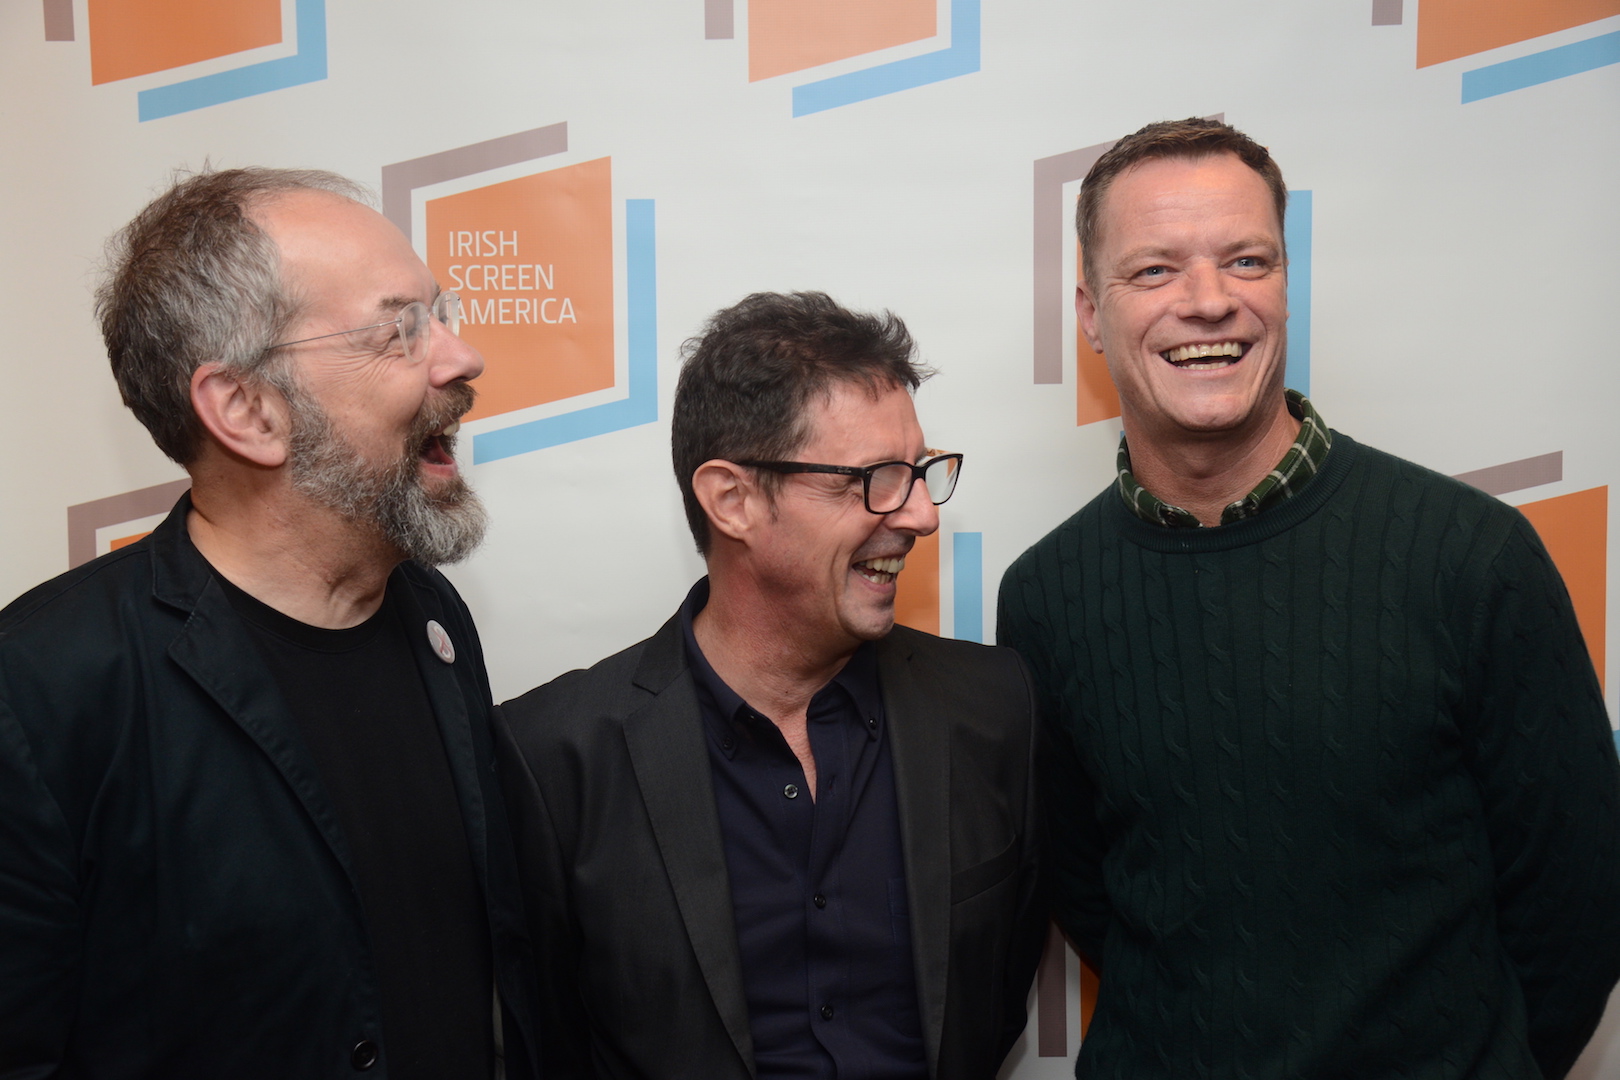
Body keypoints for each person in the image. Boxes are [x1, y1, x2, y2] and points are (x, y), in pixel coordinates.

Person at [998, 116, 1620, 1079]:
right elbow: (1088, 888)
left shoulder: (1471, 555)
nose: (1209, 303)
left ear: (1287, 285)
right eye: (1155, 271)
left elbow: (1579, 892)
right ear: (1089, 311)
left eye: (1247, 261)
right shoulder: (1044, 596)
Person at [0, 168, 539, 1078]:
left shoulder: (433, 618)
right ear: (247, 411)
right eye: (401, 328)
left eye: (440, 314)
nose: (460, 357)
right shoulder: (42, 690)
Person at [498, 291, 1045, 1079]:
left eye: (922, 473)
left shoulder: (994, 707)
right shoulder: (554, 758)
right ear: (733, 500)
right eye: (879, 479)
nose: (923, 515)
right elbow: (545, 1042)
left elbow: (994, 998)